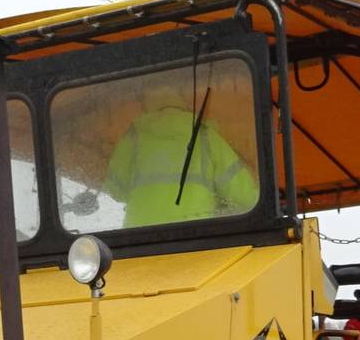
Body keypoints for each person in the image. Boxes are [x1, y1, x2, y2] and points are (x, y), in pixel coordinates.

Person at [104, 76, 260, 228]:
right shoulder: (204, 135)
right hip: (195, 232)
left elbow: (115, 190)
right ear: (182, 99)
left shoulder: (135, 136)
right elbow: (241, 191)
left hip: (141, 235)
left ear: (146, 102)